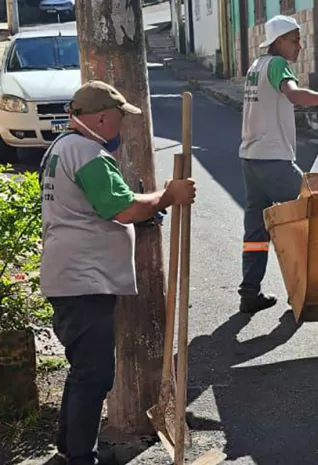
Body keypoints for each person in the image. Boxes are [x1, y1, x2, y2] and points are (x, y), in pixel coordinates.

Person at [39, 80, 197, 465]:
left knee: (84, 373)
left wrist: (149, 207)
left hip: (73, 277)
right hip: (83, 281)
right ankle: (80, 457)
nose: (121, 130)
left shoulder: (60, 149)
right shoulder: (88, 152)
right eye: (120, 121)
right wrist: (167, 196)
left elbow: (102, 207)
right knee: (94, 376)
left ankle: (68, 449)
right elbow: (120, 207)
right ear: (102, 117)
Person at [237, 14, 318, 315]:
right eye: (294, 40)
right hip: (273, 160)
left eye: (300, 39)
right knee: (314, 212)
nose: (299, 46)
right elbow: (294, 94)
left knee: (255, 232)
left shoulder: (256, 66)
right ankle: (315, 290)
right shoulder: (277, 65)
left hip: (251, 158)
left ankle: (249, 292)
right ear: (278, 42)